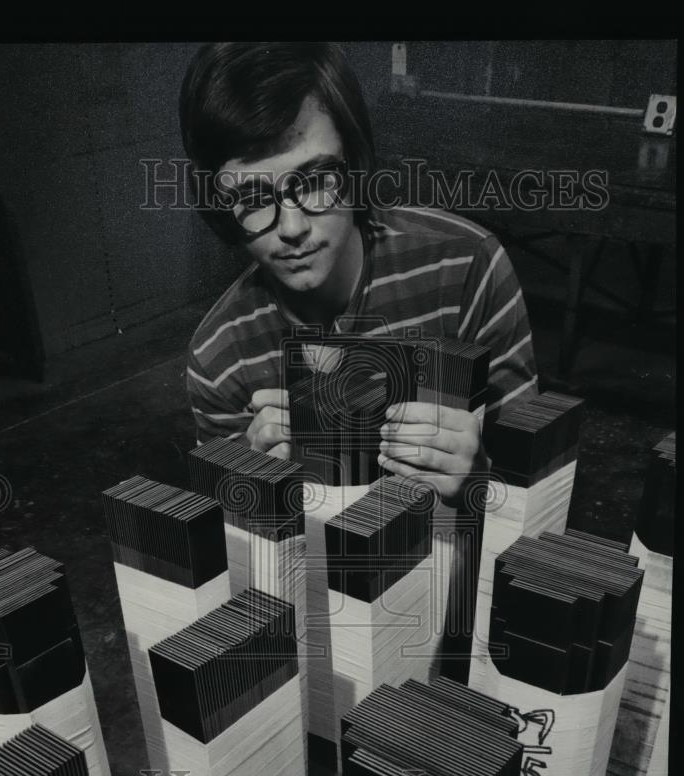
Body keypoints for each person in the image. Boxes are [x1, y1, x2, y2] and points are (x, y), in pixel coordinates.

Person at [180, 41, 538, 507]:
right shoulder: (216, 357)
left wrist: (480, 476)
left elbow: (536, 478)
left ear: (357, 164)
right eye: (252, 197)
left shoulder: (467, 266)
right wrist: (251, 489)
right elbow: (242, 548)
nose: (292, 228)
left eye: (315, 180)